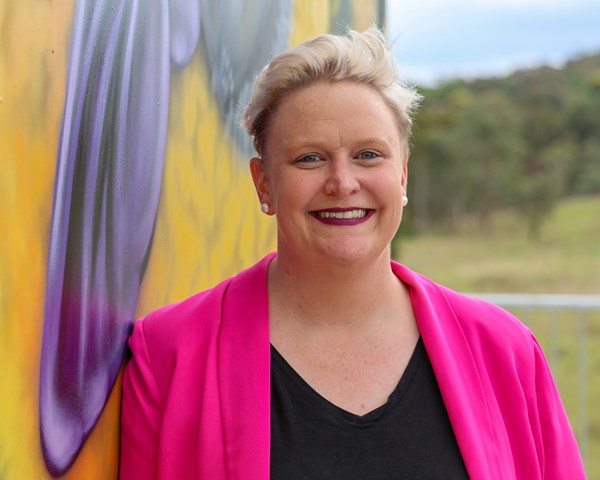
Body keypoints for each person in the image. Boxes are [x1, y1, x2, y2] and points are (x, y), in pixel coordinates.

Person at [119, 27, 585, 479]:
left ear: (402, 174)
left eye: (368, 155)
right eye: (309, 158)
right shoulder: (169, 356)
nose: (342, 183)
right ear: (264, 184)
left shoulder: (506, 352)